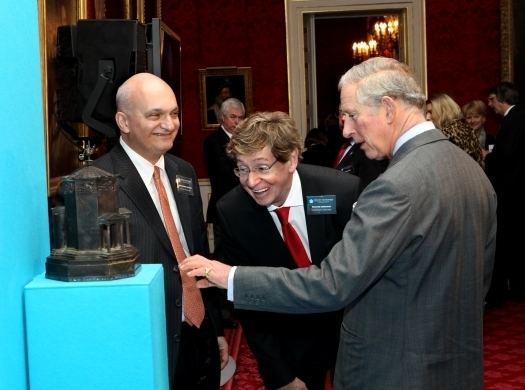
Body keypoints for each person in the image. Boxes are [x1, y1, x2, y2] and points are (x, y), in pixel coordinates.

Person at [181, 57, 497, 389]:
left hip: (394, 370)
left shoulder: (394, 186)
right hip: (455, 365)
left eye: (353, 115)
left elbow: (332, 284)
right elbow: (479, 282)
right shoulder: (470, 170)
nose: (345, 130)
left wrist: (228, 276)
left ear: (388, 108)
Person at [93, 73, 228, 389]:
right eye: (155, 115)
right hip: (145, 337)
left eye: (174, 113)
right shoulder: (96, 183)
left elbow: (197, 255)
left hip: (198, 332)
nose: (169, 124)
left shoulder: (184, 172)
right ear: (123, 122)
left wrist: (216, 328)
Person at [213, 111, 361, 389]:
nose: (251, 181)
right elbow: (250, 305)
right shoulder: (233, 211)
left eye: (262, 167)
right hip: (287, 339)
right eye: (242, 169)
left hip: (349, 330)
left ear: (291, 159)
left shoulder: (339, 191)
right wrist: (281, 375)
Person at [484, 81, 525, 306]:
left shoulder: (514, 119)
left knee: (509, 238)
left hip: (511, 191)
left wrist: (488, 156)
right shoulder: (517, 117)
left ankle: (509, 288)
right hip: (516, 190)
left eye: (492, 100)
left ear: (502, 99)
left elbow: (507, 155)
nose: (490, 106)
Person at [203, 97, 246, 252]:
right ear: (222, 117)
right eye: (233, 117)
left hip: (246, 206)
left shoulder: (247, 141)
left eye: (241, 117)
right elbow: (224, 173)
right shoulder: (213, 141)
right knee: (224, 253)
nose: (238, 122)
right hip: (224, 205)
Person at [334, 108, 388, 190]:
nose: (342, 118)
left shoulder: (369, 150)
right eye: (341, 113)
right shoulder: (343, 147)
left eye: (351, 115)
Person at [426, 93, 484, 166]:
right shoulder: (464, 128)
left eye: (431, 112)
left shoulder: (446, 135)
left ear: (443, 111)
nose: (427, 117)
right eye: (426, 113)